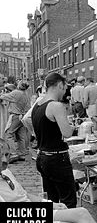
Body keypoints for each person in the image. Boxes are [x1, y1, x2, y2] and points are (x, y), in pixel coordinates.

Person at [0, 138, 97, 223]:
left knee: (82, 213)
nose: (4, 160)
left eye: (6, 154)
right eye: (0, 156)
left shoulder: (6, 172)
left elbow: (24, 195)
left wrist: (50, 204)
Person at [31, 73, 77, 208]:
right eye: (65, 88)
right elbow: (67, 133)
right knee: (68, 201)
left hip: (43, 156)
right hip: (57, 158)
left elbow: (28, 121)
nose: (65, 92)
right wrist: (73, 126)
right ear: (60, 85)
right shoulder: (56, 106)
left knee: (52, 201)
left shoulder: (37, 104)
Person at [0, 81, 31, 162]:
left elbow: (3, 97)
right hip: (23, 116)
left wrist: (2, 93)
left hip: (15, 115)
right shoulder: (26, 93)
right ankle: (22, 154)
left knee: (8, 134)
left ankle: (13, 153)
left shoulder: (16, 93)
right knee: (20, 135)